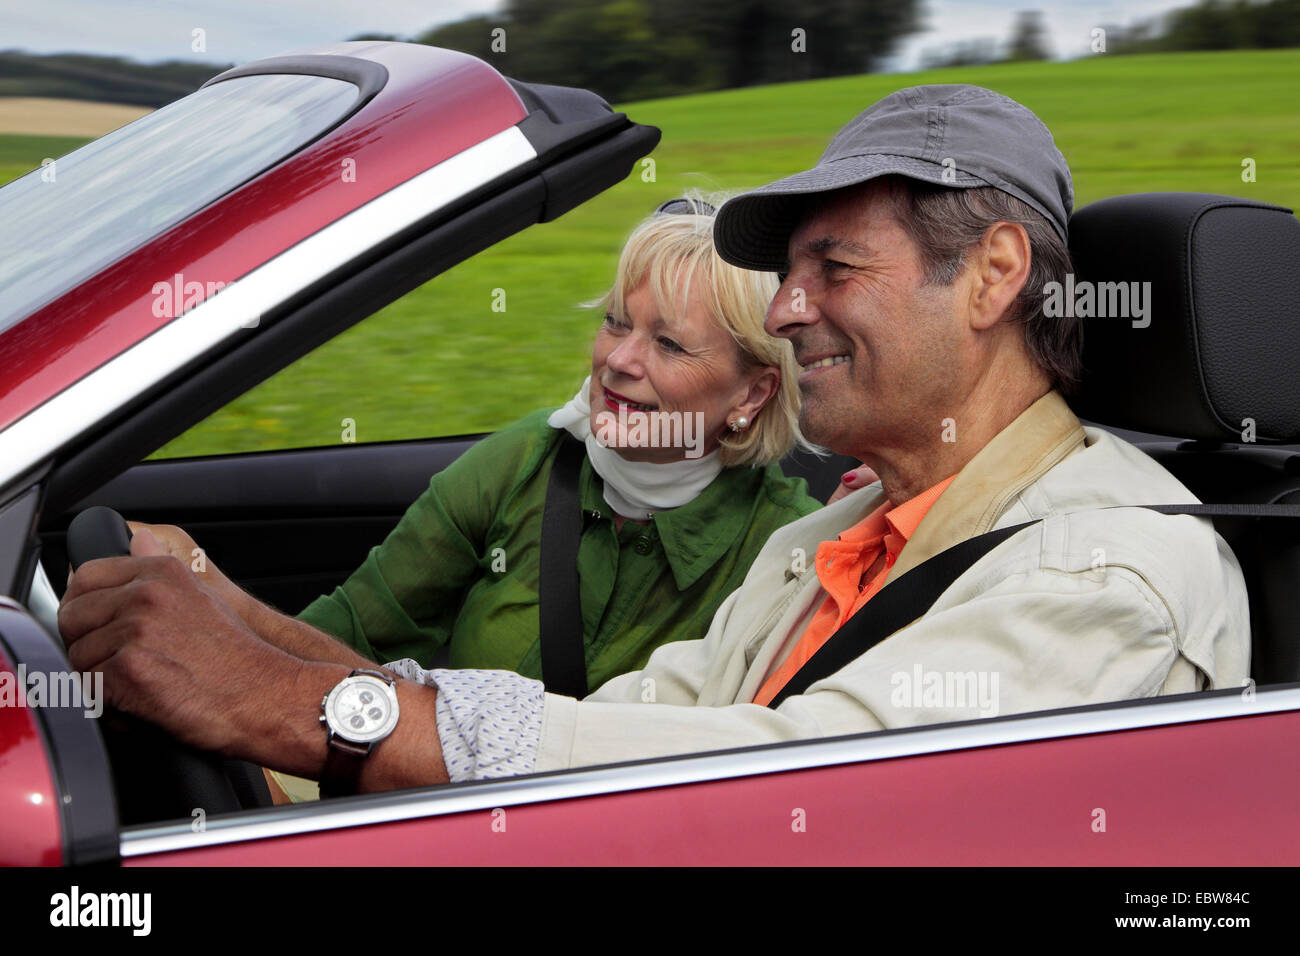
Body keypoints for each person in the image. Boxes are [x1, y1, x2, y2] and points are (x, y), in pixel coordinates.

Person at [59, 85, 1249, 797]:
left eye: (832, 268)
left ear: (991, 274)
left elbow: (784, 781)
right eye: (789, 275)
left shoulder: (1104, 574)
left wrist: (289, 707)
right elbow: (643, 720)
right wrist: (229, 627)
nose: (786, 311)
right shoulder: (847, 533)